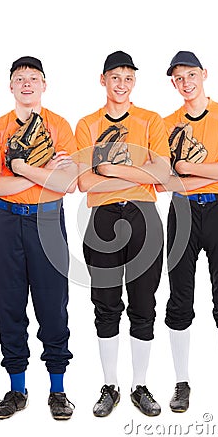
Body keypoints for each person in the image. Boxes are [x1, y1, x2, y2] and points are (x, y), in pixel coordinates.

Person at [0, 56, 78, 420]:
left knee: (53, 304)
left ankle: (58, 390)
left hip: (48, 221)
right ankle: (16, 389)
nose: (26, 84)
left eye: (33, 78)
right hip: (6, 223)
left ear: (43, 85)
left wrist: (20, 170)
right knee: (9, 303)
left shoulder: (60, 127)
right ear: (10, 86)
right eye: (19, 78)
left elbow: (68, 183)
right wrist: (38, 173)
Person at [75, 51, 171, 417]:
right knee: (106, 302)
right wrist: (137, 168)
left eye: (128, 78)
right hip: (101, 219)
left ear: (135, 82)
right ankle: (110, 385)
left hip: (144, 216)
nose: (121, 84)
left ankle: (140, 385)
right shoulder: (87, 124)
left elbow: (162, 176)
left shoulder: (151, 121)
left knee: (144, 303)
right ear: (103, 80)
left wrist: (109, 168)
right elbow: (84, 181)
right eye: (114, 77)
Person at [161, 50, 218, 413]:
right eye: (178, 78)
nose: (185, 83)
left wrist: (186, 166)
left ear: (204, 74)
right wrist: (217, 166)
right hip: (182, 212)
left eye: (191, 75)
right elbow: (166, 178)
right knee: (179, 298)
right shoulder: (167, 123)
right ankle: (181, 383)